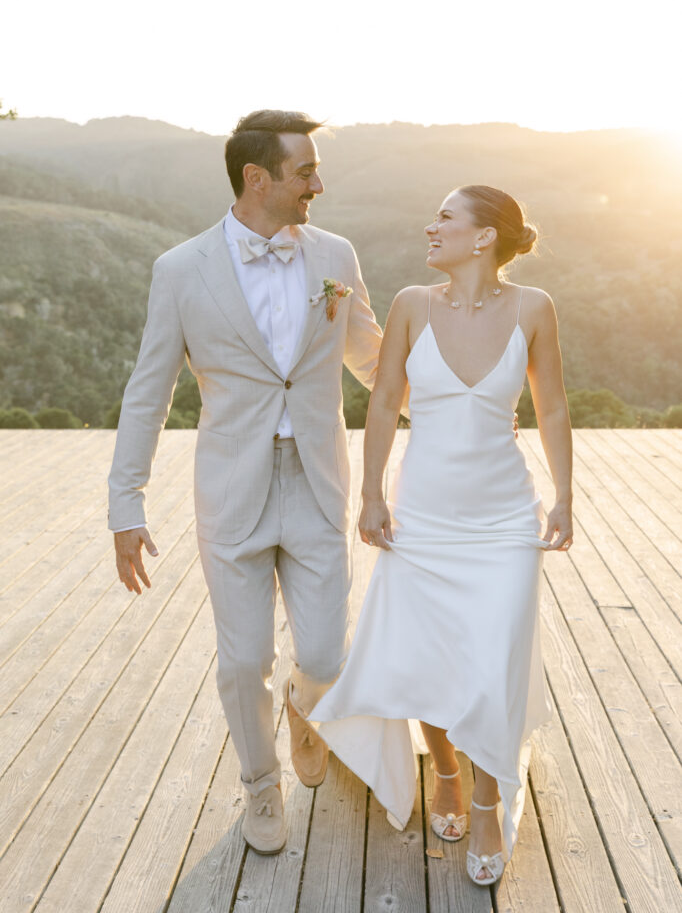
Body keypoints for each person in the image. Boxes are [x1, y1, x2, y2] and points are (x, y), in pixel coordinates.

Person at [108, 110, 385, 855]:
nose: (317, 186)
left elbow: (371, 360)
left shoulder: (336, 255)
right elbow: (149, 393)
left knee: (326, 658)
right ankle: (261, 785)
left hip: (319, 483)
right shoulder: (180, 270)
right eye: (305, 173)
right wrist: (124, 505)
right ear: (257, 178)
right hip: (233, 489)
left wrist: (460, 404)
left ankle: (304, 705)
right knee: (241, 660)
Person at [309, 184, 573, 887]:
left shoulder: (535, 309)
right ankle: (449, 773)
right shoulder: (409, 306)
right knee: (427, 654)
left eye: (447, 218)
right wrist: (369, 494)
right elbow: (385, 402)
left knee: (495, 656)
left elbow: (550, 408)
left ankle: (489, 801)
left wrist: (565, 495)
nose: (432, 227)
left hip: (504, 518)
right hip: (421, 515)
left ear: (484, 237)